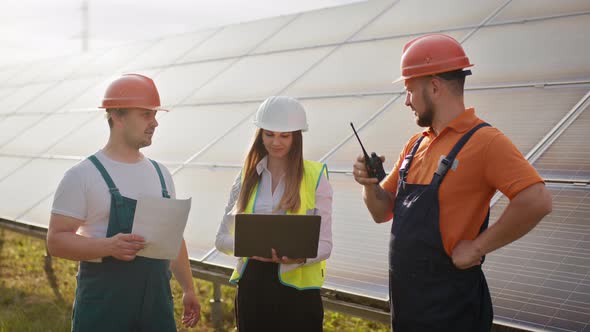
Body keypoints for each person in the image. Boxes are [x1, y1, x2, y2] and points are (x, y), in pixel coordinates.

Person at [353, 34, 552, 332]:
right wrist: (369, 184)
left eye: (409, 91)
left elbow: (537, 200)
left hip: (452, 309)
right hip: (408, 305)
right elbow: (382, 212)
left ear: (434, 86)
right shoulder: (415, 144)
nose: (407, 101)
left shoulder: (485, 141)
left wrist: (478, 247)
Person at [46, 73, 201, 331]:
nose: (155, 123)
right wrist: (109, 246)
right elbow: (56, 240)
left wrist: (188, 288)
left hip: (156, 308)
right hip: (104, 309)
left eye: (154, 114)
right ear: (116, 115)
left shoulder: (161, 174)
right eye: (145, 114)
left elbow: (173, 238)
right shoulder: (83, 175)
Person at [215, 96, 333, 332]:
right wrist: (253, 249)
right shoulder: (246, 178)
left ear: (296, 137)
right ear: (260, 135)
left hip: (298, 295)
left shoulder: (316, 176)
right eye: (269, 134)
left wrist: (299, 257)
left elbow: (326, 245)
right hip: (254, 290)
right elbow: (221, 240)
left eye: (284, 135)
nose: (275, 142)